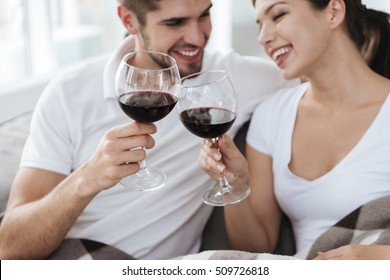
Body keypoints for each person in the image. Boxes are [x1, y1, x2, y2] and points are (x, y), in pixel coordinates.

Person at [0, 0, 297, 259]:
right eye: (175, 22)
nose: (197, 37)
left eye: (204, 15)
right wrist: (87, 179)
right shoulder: (68, 94)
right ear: (129, 20)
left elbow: (318, 79)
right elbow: (9, 246)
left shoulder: (230, 80)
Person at [199, 0, 390, 260]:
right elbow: (256, 251)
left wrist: (374, 258)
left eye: (278, 15)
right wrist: (235, 184)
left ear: (333, 12)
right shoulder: (271, 116)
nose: (263, 38)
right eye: (259, 25)